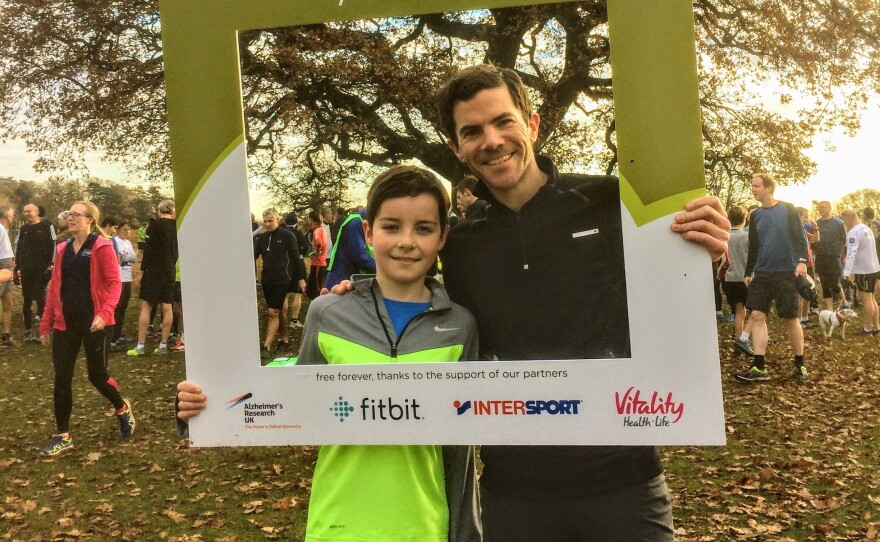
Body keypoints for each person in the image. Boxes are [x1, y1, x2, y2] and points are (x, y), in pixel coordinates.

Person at [178, 165, 482, 542]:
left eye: (423, 228)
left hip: (424, 525)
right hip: (337, 525)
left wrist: (465, 533)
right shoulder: (327, 313)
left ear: (442, 236)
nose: (407, 241)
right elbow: (292, 408)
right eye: (391, 227)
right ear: (369, 233)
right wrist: (206, 406)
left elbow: (461, 449)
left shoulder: (461, 326)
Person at [38, 201, 134, 455]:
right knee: (61, 377)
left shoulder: (101, 246)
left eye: (76, 215)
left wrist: (104, 312)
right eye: (69, 214)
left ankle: (122, 407)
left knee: (97, 376)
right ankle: (63, 435)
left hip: (96, 323)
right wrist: (45, 323)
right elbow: (54, 289)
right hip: (65, 323)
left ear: (90, 219)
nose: (70, 218)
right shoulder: (62, 249)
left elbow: (115, 284)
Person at [735, 173, 809, 383]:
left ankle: (799, 364)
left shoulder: (787, 209)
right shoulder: (756, 215)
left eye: (756, 186)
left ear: (768, 187)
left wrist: (802, 261)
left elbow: (799, 237)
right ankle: (759, 366)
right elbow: (754, 246)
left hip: (786, 272)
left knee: (790, 318)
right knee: (757, 315)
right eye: (752, 186)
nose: (753, 189)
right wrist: (749, 271)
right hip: (762, 273)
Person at [253, 208, 306, 359]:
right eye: (266, 221)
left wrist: (301, 278)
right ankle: (285, 339)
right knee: (278, 310)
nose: (268, 223)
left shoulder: (287, 235)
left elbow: (297, 258)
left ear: (278, 219)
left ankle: (266, 346)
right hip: (267, 278)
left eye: (271, 220)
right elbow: (253, 256)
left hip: (282, 278)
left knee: (272, 312)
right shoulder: (262, 238)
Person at [129, 199, 178, 356]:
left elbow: (148, 251)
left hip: (154, 271)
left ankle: (140, 346)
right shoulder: (178, 226)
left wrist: (141, 272)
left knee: (147, 306)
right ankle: (163, 345)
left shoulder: (154, 226)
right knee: (167, 306)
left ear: (159, 210)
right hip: (170, 270)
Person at [14, 203, 56, 343]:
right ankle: (27, 331)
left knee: (40, 298)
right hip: (26, 270)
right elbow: (18, 247)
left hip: (42, 270)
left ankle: (42, 331)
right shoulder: (23, 229)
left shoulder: (47, 226)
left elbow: (54, 246)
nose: (26, 214)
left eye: (29, 211)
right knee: (26, 299)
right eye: (24, 211)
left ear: (37, 212)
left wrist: (51, 265)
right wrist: (17, 267)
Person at [841, 208, 880, 334]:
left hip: (864, 270)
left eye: (844, 220)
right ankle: (876, 326)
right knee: (872, 298)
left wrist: (847, 272)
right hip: (873, 267)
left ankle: (867, 327)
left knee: (867, 299)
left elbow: (851, 253)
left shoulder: (853, 232)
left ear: (847, 219)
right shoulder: (866, 228)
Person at [724, 206, 754, 355]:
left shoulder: (725, 236)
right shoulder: (746, 237)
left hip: (729, 278)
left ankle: (738, 343)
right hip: (745, 278)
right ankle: (742, 340)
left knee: (738, 312)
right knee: (749, 312)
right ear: (744, 218)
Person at [324, 207, 377, 291]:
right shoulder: (356, 223)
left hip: (343, 273)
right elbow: (358, 255)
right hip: (341, 276)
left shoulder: (356, 220)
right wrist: (379, 268)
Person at [813, 200, 847, 310]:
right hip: (820, 257)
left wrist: (843, 256)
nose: (821, 209)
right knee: (824, 285)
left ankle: (844, 301)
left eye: (823, 207)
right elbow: (814, 240)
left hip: (833, 256)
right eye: (819, 207)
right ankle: (830, 310)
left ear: (829, 208)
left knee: (834, 284)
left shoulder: (838, 223)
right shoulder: (817, 223)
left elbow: (844, 240)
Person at [110, 220, 138, 350]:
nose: (127, 231)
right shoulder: (114, 241)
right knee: (117, 307)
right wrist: (127, 257)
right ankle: (113, 337)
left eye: (129, 229)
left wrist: (128, 257)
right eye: (125, 229)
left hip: (127, 278)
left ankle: (119, 333)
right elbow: (120, 258)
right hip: (118, 278)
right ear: (118, 230)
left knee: (123, 307)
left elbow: (134, 258)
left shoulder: (127, 243)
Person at [0, 204, 16, 347]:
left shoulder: (6, 229)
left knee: (8, 303)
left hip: (8, 267)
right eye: (12, 214)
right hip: (2, 268)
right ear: (6, 215)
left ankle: (5, 336)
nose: (13, 217)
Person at [305, 210, 329, 299]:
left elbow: (319, 242)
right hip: (317, 263)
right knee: (311, 287)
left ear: (310, 220)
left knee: (316, 289)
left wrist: (317, 251)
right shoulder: (322, 229)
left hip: (318, 263)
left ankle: (318, 304)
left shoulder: (317, 231)